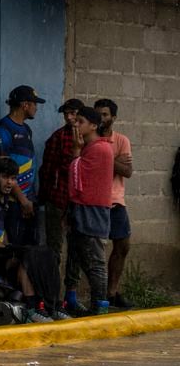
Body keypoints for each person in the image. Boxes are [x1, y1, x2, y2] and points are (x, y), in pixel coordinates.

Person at [0, 157, 59, 322]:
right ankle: (31, 307)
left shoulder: (5, 201)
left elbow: (4, 236)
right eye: (5, 177)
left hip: (3, 252)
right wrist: (12, 251)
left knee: (46, 254)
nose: (9, 183)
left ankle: (52, 305)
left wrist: (11, 248)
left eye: (13, 179)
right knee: (27, 257)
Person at [65, 105, 113, 314]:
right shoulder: (90, 147)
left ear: (93, 126)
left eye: (81, 121)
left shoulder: (100, 149)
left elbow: (77, 179)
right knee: (75, 255)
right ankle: (71, 299)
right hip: (81, 209)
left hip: (92, 210)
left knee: (95, 261)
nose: (76, 125)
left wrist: (76, 152)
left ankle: (100, 305)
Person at [38, 98, 83, 305]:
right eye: (66, 113)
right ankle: (53, 295)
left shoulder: (89, 138)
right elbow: (46, 171)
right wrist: (46, 197)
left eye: (73, 113)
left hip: (80, 203)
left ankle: (71, 294)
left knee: (77, 249)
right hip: (57, 199)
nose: (69, 117)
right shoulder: (57, 138)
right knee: (54, 249)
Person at [93, 98, 134, 308]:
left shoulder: (121, 140)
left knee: (123, 245)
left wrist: (106, 157)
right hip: (95, 201)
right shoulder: (90, 137)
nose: (101, 118)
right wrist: (114, 160)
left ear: (113, 118)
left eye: (105, 114)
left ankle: (112, 292)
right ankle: (97, 295)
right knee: (94, 249)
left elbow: (127, 171)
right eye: (98, 113)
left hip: (116, 200)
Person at [0, 86, 40, 200]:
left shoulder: (27, 129)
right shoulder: (3, 131)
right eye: (35, 104)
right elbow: (4, 171)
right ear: (25, 105)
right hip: (12, 201)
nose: (36, 108)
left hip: (28, 197)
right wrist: (23, 201)